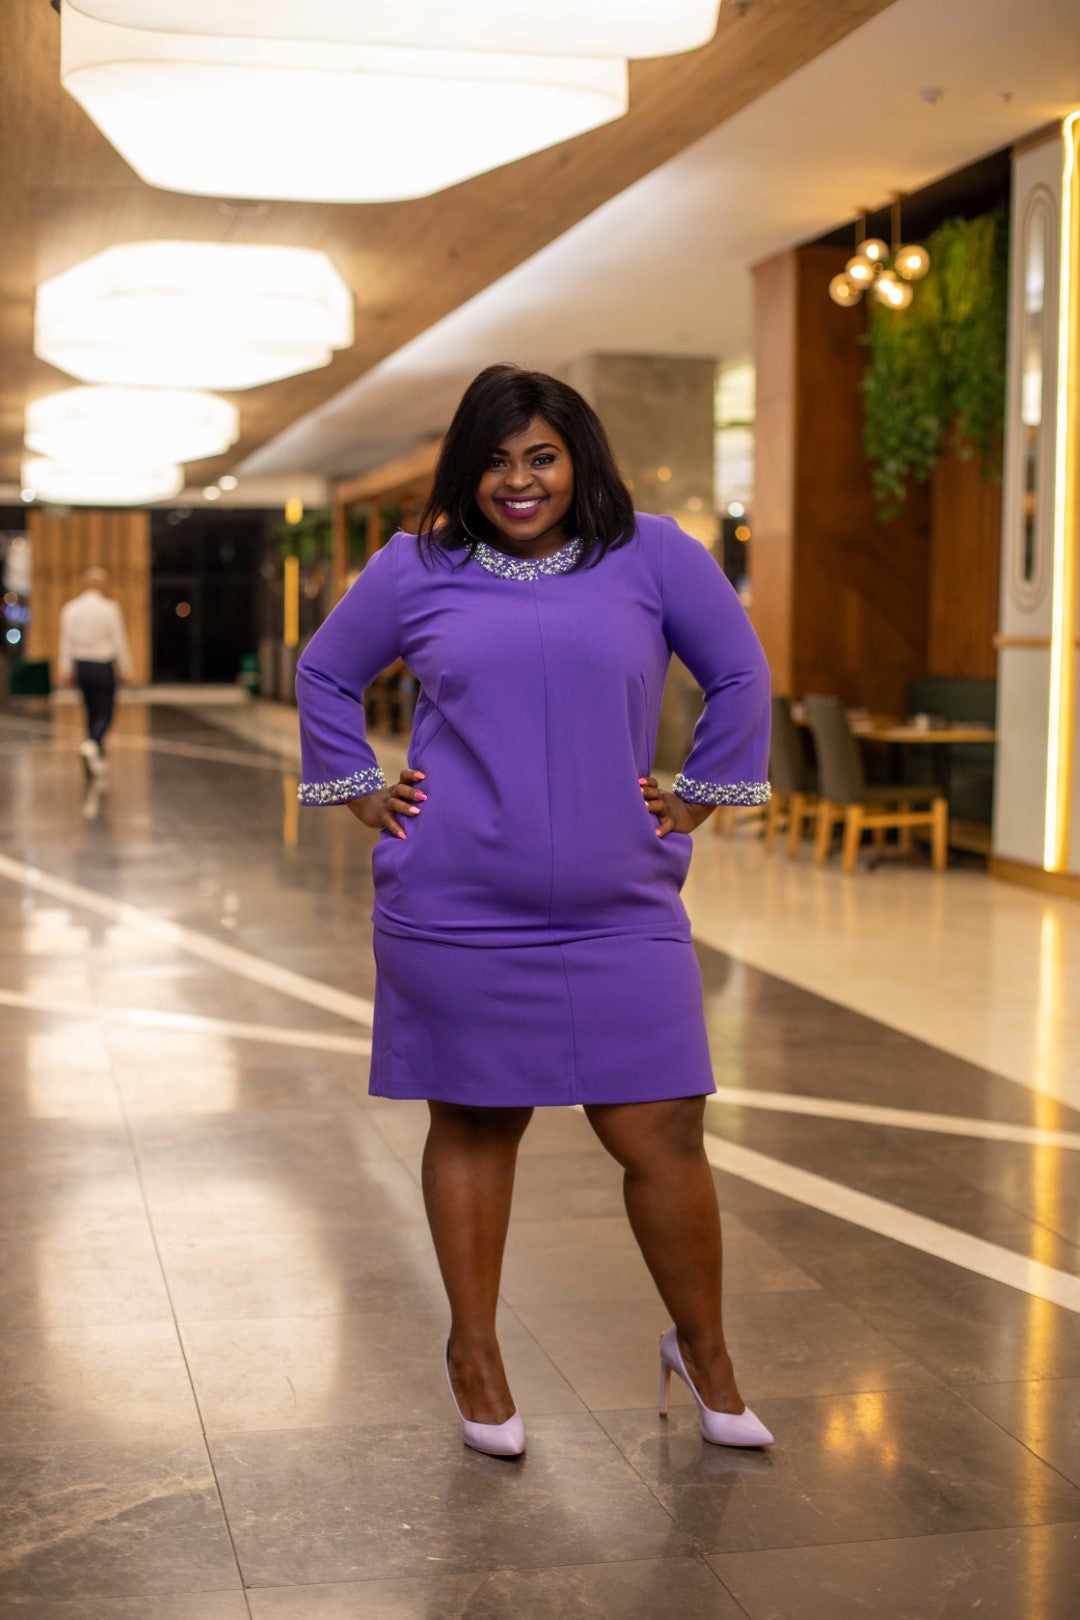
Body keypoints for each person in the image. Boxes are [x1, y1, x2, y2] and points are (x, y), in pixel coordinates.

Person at [295, 365, 774, 1459]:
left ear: (577, 459)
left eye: (542, 457)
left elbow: (742, 674)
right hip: (456, 905)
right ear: (467, 471)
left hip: (622, 905)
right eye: (496, 461)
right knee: (474, 1122)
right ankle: (474, 1357)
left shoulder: (654, 553)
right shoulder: (416, 567)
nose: (519, 481)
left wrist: (698, 795)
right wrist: (359, 788)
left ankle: (705, 1353)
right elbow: (325, 674)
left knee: (662, 1130)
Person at [58, 566, 132, 778]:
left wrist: (66, 669)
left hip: (81, 666)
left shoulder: (71, 608)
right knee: (105, 712)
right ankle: (92, 744)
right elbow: (119, 641)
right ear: (102, 584)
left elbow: (65, 642)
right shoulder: (110, 609)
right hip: (102, 665)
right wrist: (125, 669)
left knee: (91, 711)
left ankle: (96, 754)